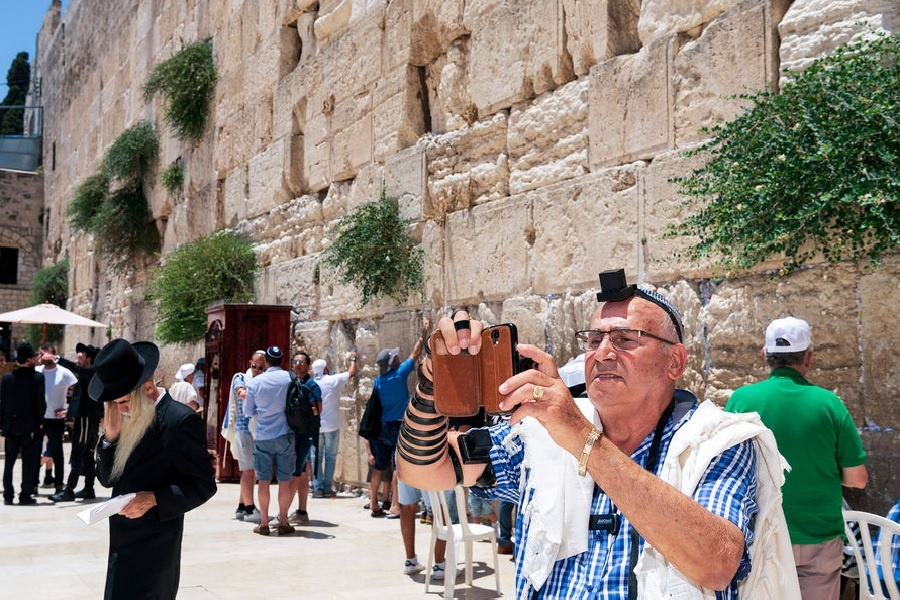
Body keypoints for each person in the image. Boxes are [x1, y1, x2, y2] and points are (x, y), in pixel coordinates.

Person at [398, 269, 801, 598]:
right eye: (594, 340)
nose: (603, 352)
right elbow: (425, 471)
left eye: (625, 339)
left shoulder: (717, 443)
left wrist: (581, 437)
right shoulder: (542, 437)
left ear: (675, 362)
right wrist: (432, 384)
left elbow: (716, 564)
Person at [726, 316, 868, 599]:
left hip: (762, 537)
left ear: (765, 355)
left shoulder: (741, 401)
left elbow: (727, 467)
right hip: (819, 539)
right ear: (809, 358)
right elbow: (858, 479)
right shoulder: (829, 404)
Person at [92, 338, 216, 599]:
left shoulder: (180, 421)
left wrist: (153, 499)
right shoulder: (125, 416)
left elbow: (203, 485)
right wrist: (109, 439)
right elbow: (107, 479)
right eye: (114, 403)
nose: (120, 409)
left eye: (124, 401)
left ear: (147, 387)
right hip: (121, 545)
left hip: (156, 550)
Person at [369, 320, 429, 518]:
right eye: (395, 357)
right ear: (392, 362)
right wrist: (424, 332)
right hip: (398, 426)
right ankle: (395, 505)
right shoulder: (399, 374)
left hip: (381, 427)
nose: (398, 357)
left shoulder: (378, 381)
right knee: (398, 465)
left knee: (379, 466)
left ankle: (373, 503)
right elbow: (416, 352)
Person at [243, 345, 296, 536]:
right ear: (282, 360)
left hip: (263, 436)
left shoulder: (255, 383)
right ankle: (283, 521)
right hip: (285, 435)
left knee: (263, 480)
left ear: (265, 362)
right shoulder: (290, 378)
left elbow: (249, 412)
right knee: (284, 480)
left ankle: (264, 522)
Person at [51, 342, 102, 502]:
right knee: (86, 456)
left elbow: (77, 370)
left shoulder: (92, 371)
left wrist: (58, 359)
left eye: (80, 357)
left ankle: (69, 490)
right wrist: (68, 412)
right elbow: (82, 399)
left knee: (78, 454)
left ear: (88, 359)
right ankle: (88, 489)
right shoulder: (87, 374)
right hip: (84, 418)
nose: (77, 360)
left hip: (86, 420)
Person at [221, 350, 264, 523]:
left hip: (256, 431)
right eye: (254, 366)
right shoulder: (241, 377)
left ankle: (241, 506)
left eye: (261, 368)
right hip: (244, 430)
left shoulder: (262, 380)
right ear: (250, 363)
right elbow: (242, 394)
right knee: (248, 471)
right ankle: (250, 509)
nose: (257, 370)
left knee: (251, 471)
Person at [1, 342, 45, 505]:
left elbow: (2, 404)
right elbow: (40, 403)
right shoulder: (38, 378)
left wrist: (2, 425)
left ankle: (8, 495)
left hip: (11, 426)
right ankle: (25, 495)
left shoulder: (7, 379)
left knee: (9, 462)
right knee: (28, 462)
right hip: (30, 427)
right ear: (28, 359)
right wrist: (41, 422)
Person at [311, 352, 357, 498]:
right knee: (330, 457)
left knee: (316, 457)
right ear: (325, 369)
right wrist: (353, 358)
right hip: (332, 425)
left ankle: (317, 488)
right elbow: (351, 373)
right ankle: (327, 487)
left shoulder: (311, 384)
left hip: (316, 427)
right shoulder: (332, 380)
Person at [36, 343, 78, 492]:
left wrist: (68, 409)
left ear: (54, 355)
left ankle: (59, 485)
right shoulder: (37, 372)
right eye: (41, 354)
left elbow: (79, 390)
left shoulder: (64, 373)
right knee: (34, 451)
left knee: (57, 452)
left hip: (55, 419)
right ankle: (33, 484)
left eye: (46, 354)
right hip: (38, 419)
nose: (43, 357)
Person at [286, 350, 321, 524]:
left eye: (301, 362)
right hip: (295, 433)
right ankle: (301, 511)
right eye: (295, 362)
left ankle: (284, 513)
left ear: (308, 365)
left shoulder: (312, 385)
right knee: (300, 473)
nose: (298, 365)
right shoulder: (292, 383)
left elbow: (318, 409)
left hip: (305, 434)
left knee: (295, 472)